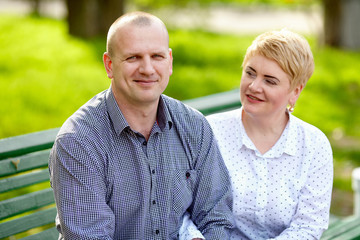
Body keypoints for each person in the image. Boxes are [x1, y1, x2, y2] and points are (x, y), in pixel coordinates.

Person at [49, 11, 234, 239]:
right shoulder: (79, 142)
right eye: (133, 57)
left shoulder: (194, 127)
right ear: (109, 65)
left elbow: (217, 218)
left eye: (157, 56)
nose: (147, 69)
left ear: (170, 62)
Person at [181, 29, 333, 240]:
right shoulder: (210, 132)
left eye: (269, 81)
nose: (254, 86)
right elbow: (181, 206)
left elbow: (308, 227)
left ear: (295, 91)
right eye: (250, 73)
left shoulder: (314, 146)